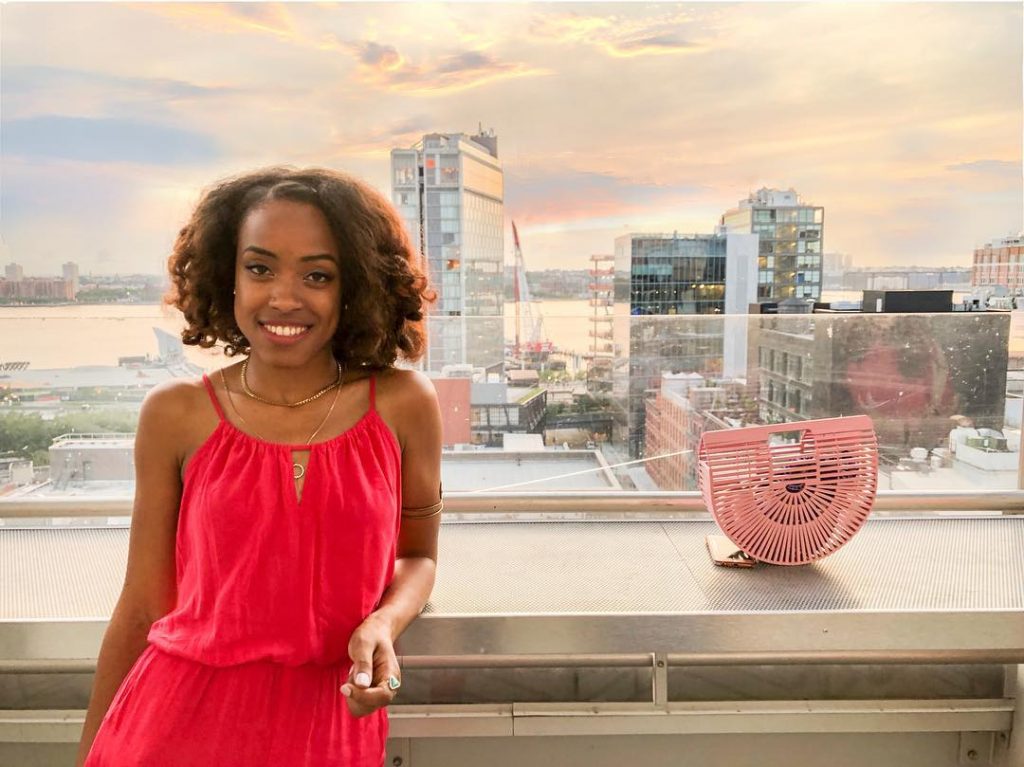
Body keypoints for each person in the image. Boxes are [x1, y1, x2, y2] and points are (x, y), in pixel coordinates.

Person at [76, 167, 443, 766]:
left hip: (329, 726)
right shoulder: (175, 413)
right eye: (260, 268)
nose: (283, 297)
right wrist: (89, 753)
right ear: (229, 275)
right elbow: (143, 606)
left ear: (356, 286)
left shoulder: (405, 404)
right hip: (173, 724)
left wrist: (384, 625)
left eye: (317, 275)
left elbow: (420, 556)